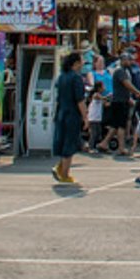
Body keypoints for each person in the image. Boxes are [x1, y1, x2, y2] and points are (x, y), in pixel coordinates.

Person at [51, 53, 89, 185]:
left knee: (64, 141)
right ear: (76, 63)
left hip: (61, 112)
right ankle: (65, 174)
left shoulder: (62, 77)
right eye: (82, 60)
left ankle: (60, 168)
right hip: (72, 114)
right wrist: (85, 117)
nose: (83, 63)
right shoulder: (76, 78)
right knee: (70, 143)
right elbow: (80, 100)